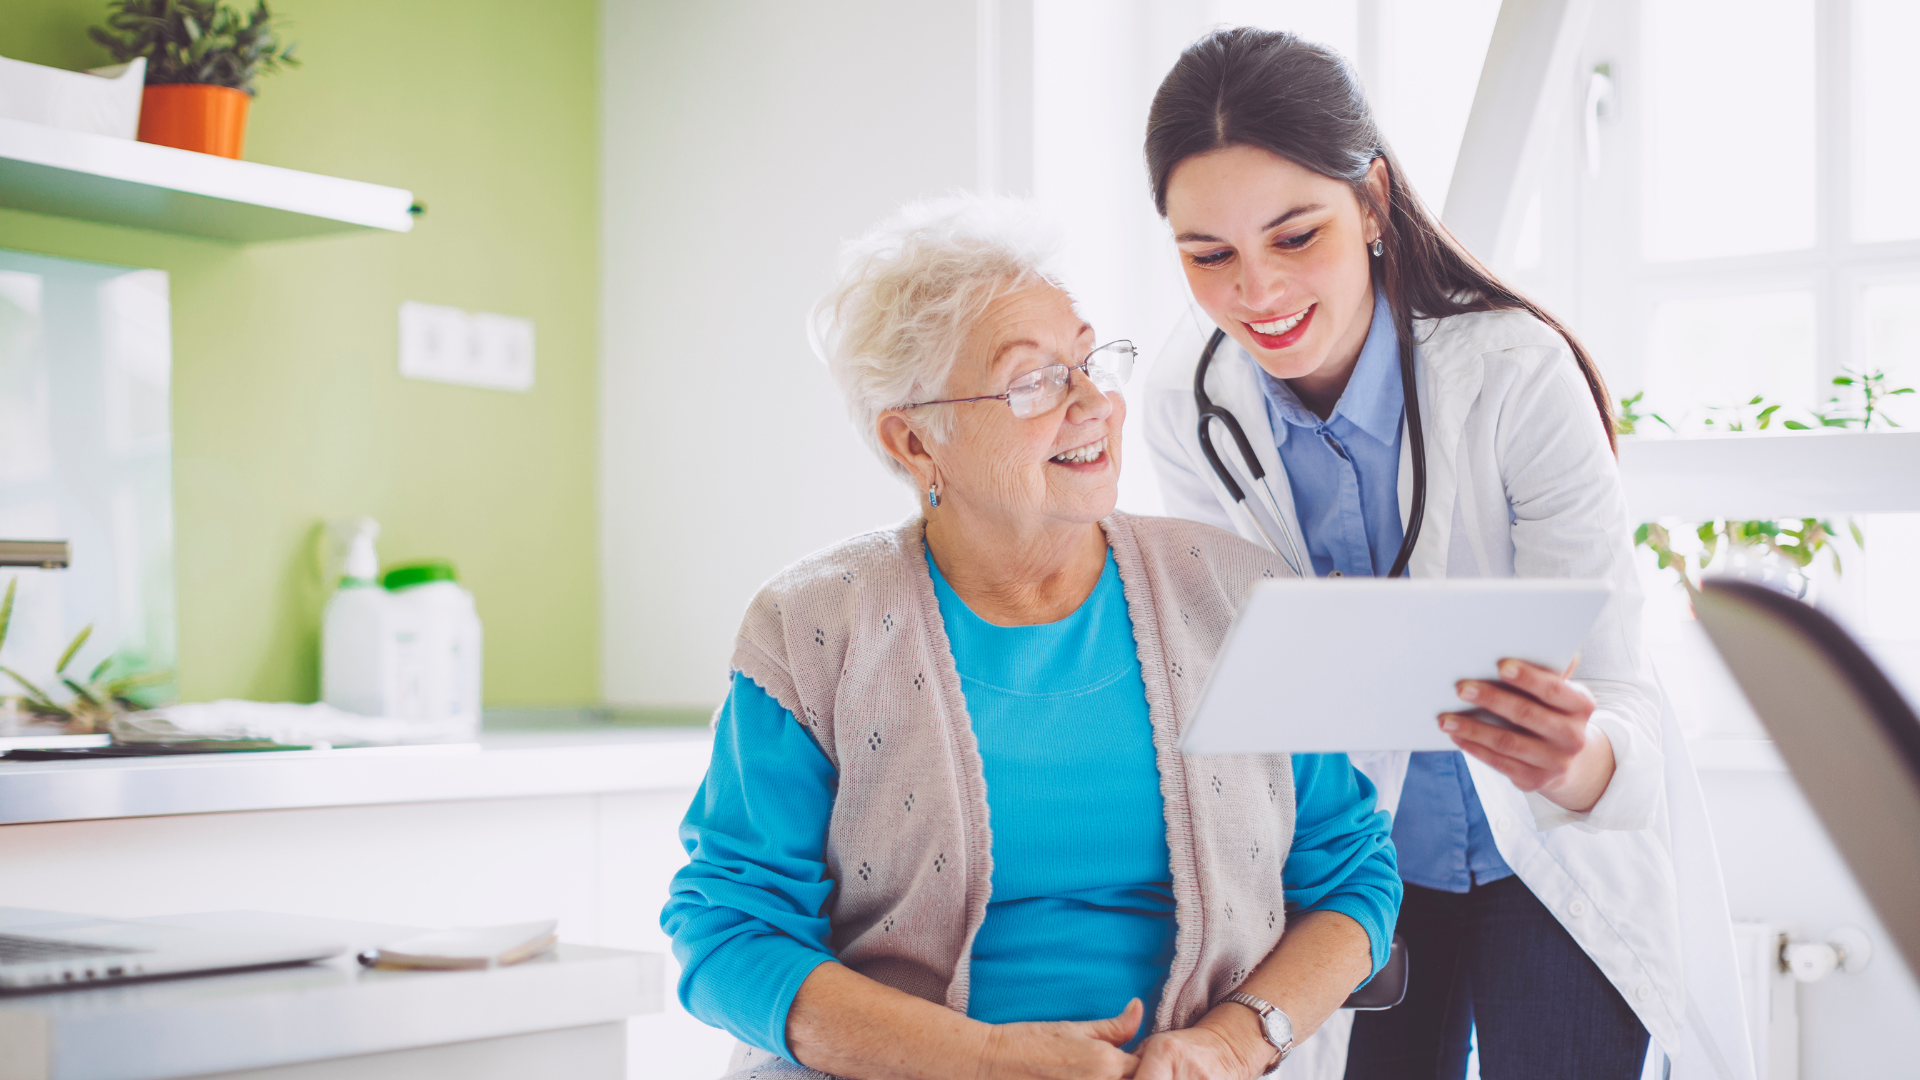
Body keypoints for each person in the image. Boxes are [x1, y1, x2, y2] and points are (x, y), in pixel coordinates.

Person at [661, 195, 1401, 1080]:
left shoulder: (1239, 594)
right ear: (915, 442)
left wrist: (1229, 1045)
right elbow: (729, 935)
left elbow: (1354, 877)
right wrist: (976, 1060)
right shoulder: (814, 627)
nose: (1092, 403)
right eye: (1034, 380)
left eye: (1089, 362)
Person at [1138, 28, 1752, 1080]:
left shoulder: (1516, 376)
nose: (1258, 295)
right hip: (1353, 871)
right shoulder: (1188, 401)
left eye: (1296, 237)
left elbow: (1614, 691)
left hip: (1551, 863)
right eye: (1209, 257)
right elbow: (1236, 672)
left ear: (1371, 201)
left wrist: (1577, 759)